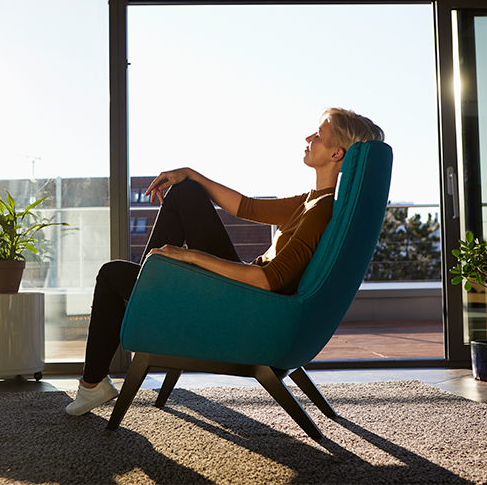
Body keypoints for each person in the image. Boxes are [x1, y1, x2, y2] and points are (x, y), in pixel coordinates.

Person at [65, 107, 385, 416]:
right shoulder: (311, 201)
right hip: (245, 292)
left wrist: (188, 255)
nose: (308, 137)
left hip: (249, 304)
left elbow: (268, 280)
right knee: (186, 192)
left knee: (110, 275)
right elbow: (246, 208)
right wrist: (190, 174)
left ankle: (97, 376)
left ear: (336, 154)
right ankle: (146, 294)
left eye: (319, 134)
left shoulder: (320, 212)